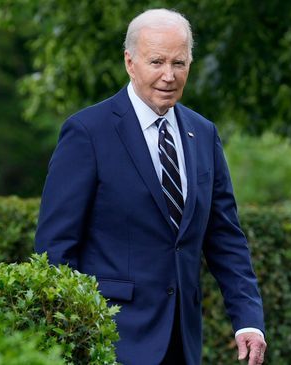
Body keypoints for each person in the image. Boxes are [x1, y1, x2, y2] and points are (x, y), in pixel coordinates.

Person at [35, 8, 266, 365]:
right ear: (130, 62)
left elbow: (225, 237)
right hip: (109, 340)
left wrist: (248, 322)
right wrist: (67, 340)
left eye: (180, 63)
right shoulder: (87, 133)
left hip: (183, 341)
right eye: (157, 62)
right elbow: (55, 248)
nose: (169, 76)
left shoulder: (203, 133)